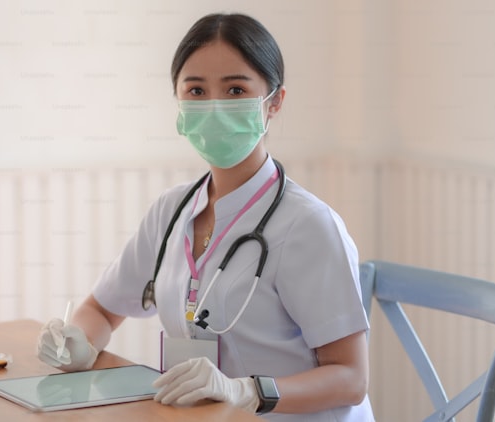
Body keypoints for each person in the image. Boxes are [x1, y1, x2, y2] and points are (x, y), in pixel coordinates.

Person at [35, 12, 373, 421]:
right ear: (178, 103)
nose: (214, 107)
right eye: (196, 91)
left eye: (235, 89)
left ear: (275, 101)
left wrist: (247, 391)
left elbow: (351, 378)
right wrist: (78, 344)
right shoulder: (172, 211)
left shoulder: (308, 226)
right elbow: (103, 310)